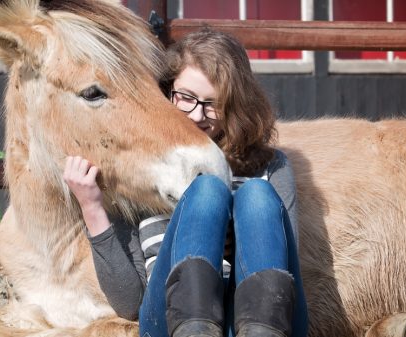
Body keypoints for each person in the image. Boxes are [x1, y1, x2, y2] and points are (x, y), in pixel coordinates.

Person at [64, 29, 307, 337]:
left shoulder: (272, 166)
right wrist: (92, 207)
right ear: (165, 93)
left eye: (214, 103)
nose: (197, 115)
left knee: (257, 194)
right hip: (168, 321)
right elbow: (128, 303)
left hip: (265, 322)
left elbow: (286, 270)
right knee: (207, 191)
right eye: (186, 98)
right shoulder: (142, 170)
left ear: (235, 106)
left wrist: (236, 239)